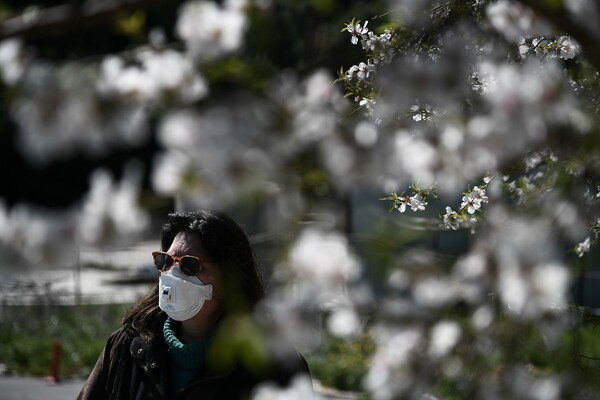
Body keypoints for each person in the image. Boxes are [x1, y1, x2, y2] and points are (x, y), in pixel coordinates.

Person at [78, 209, 312, 400]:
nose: (173, 274)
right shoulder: (125, 347)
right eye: (166, 261)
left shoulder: (274, 365)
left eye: (191, 265)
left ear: (231, 278)